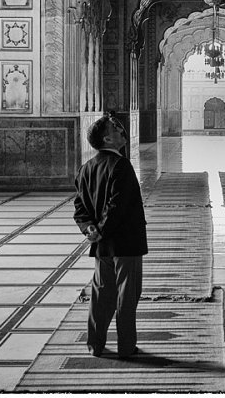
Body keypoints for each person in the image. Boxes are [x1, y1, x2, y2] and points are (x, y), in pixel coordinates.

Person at [73, 113, 148, 358]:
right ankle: (126, 347)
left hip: (102, 245)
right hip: (125, 244)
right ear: (108, 139)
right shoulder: (121, 166)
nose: (121, 130)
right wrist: (102, 229)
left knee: (100, 296)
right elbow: (117, 206)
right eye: (115, 129)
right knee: (126, 298)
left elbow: (79, 207)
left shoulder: (86, 168)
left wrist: (90, 229)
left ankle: (95, 344)